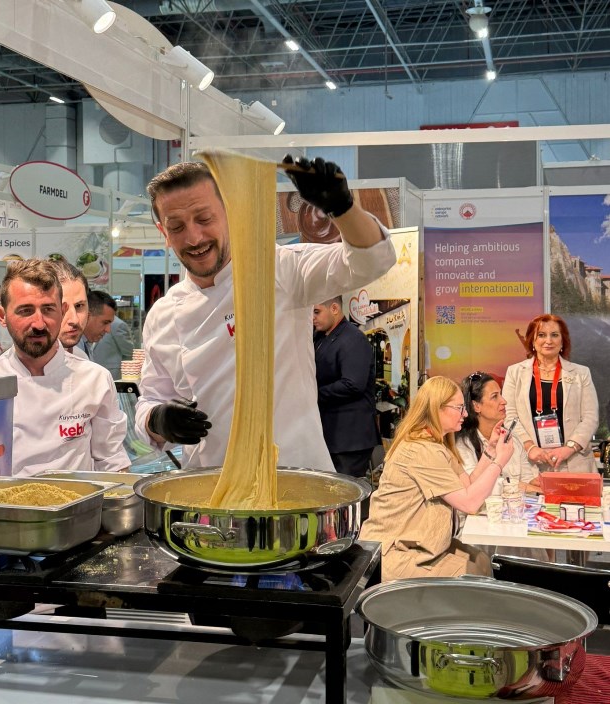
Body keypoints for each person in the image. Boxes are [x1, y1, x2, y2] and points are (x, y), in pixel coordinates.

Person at [134, 156, 397, 470]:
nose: (194, 238)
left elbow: (373, 261)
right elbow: (150, 400)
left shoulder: (280, 270)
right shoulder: (162, 314)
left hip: (294, 476)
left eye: (204, 219)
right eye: (176, 227)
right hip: (208, 481)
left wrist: (342, 208)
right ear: (163, 232)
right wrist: (157, 419)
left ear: (230, 214)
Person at [0, 259, 129, 476]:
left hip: (79, 499)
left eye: (48, 309)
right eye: (25, 310)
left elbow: (112, 462)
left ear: (61, 311)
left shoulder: (94, 379)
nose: (39, 324)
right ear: (2, 316)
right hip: (5, 499)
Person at [359, 376, 514, 580]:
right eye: (459, 408)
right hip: (393, 553)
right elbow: (469, 503)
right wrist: (499, 462)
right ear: (437, 408)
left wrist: (491, 451)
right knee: (473, 574)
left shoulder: (436, 444)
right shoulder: (421, 450)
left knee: (481, 561)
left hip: (415, 546)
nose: (465, 414)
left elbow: (468, 485)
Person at [502, 314, 598, 473]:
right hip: (530, 462)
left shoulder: (581, 373)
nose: (548, 340)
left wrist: (570, 447)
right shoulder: (515, 372)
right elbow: (509, 415)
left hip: (573, 462)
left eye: (554, 335)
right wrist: (529, 446)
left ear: (563, 340)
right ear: (532, 340)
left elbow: (590, 417)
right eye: (541, 335)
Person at [312, 295, 380, 476]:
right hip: (331, 435)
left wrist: (313, 394)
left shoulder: (353, 339)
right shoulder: (320, 338)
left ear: (334, 309)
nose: (313, 318)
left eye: (317, 312)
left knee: (344, 490)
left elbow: (353, 384)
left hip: (350, 439)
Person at [456, 371, 540, 494]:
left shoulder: (513, 438)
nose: (504, 401)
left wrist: (537, 483)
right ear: (476, 406)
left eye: (501, 394)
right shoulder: (463, 445)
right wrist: (521, 486)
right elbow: (473, 486)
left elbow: (527, 480)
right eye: (495, 396)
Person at [49, 258, 90, 357]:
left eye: (79, 306)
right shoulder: (14, 366)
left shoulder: (82, 358)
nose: (74, 320)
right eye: (61, 308)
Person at [93, 313, 134, 380]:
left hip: (112, 373)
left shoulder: (118, 324)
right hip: (95, 370)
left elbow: (129, 351)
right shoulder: (93, 321)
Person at [80, 290, 117, 360]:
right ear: (87, 316)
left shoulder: (86, 345)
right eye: (105, 322)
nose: (108, 330)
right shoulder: (72, 347)